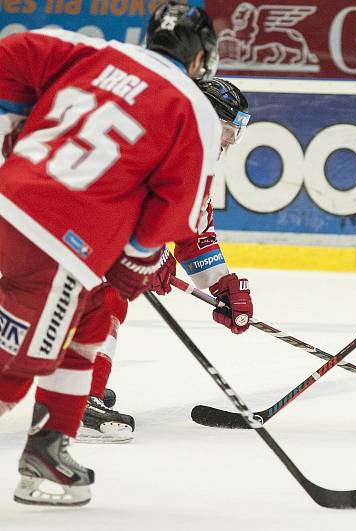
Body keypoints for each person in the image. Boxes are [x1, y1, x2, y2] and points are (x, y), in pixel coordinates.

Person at [0, 2, 221, 506]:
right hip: (58, 239)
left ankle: (48, 449)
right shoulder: (193, 106)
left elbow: (9, 52)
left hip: (13, 200)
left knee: (95, 316)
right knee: (13, 370)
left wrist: (13, 125)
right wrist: (135, 266)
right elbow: (176, 213)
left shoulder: (97, 52)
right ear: (200, 57)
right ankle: (43, 456)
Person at [77, 78, 255, 444]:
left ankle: (78, 381)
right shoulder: (150, 140)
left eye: (235, 132)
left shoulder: (196, 164)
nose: (229, 142)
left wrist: (221, 284)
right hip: (53, 225)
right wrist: (149, 253)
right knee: (101, 294)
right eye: (226, 130)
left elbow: (193, 234)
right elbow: (107, 198)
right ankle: (79, 397)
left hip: (79, 236)